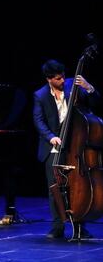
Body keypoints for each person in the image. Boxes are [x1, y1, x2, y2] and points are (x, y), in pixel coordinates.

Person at [33, 59, 101, 239]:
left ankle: (80, 226)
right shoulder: (40, 95)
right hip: (53, 147)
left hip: (75, 146)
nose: (63, 81)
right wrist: (51, 137)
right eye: (58, 79)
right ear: (49, 79)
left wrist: (89, 88)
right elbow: (39, 121)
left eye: (63, 77)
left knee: (78, 187)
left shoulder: (74, 85)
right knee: (54, 188)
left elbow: (96, 102)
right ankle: (58, 227)